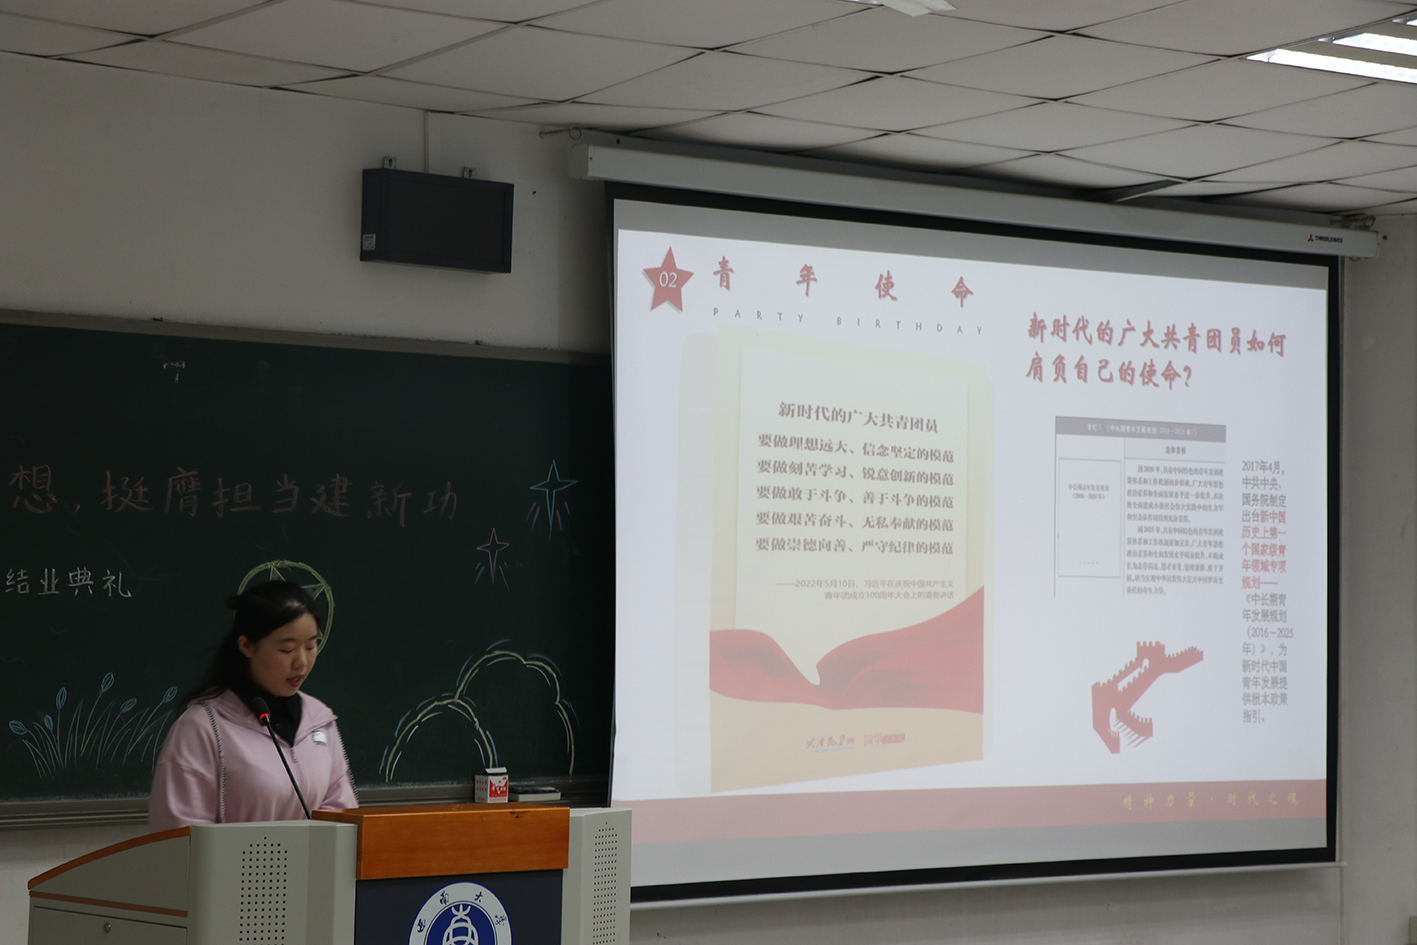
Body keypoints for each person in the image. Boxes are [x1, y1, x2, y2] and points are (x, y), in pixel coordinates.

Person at [149, 581, 357, 830]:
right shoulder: (202, 728)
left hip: (312, 858)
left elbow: (342, 815)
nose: (302, 662)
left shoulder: (318, 719)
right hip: (235, 858)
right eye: (287, 649)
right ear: (246, 645)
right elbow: (179, 832)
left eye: (311, 646)